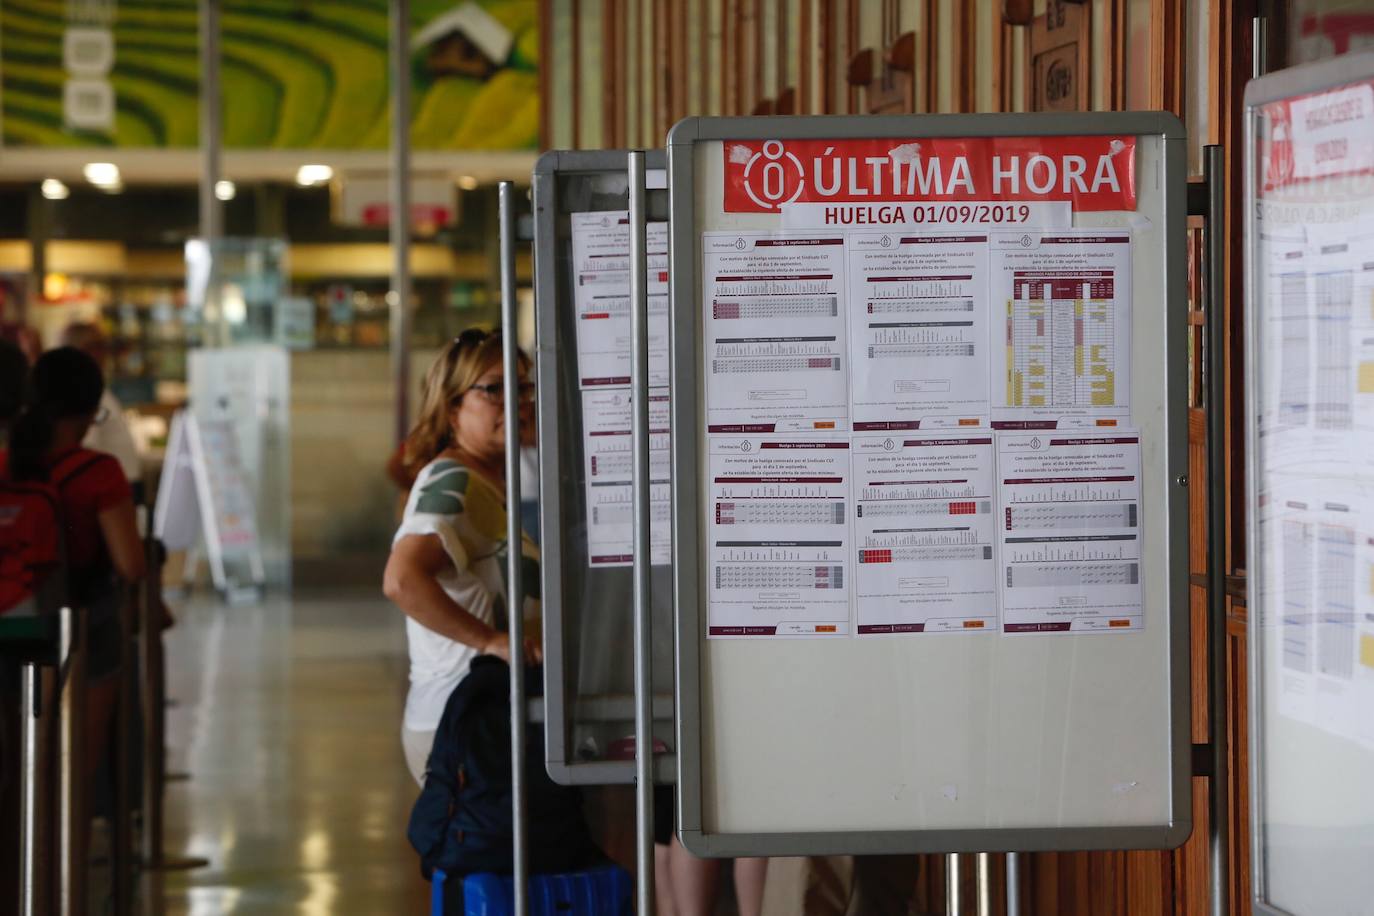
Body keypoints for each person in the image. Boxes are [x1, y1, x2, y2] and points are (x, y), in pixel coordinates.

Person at [0, 346, 147, 886]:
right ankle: (65, 882)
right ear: (89, 410)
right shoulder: (98, 472)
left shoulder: (11, 462)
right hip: (82, 633)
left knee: (13, 769)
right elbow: (130, 564)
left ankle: (15, 877)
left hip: (13, 621)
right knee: (71, 772)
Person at [383, 328, 542, 785]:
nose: (520, 400)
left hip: (483, 716)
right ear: (453, 406)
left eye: (524, 386)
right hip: (462, 721)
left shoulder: (485, 480)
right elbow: (401, 579)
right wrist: (491, 642)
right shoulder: (453, 482)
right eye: (496, 389)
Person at [60, 322, 142, 486]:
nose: (102, 353)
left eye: (102, 345)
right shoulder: (82, 391)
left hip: (120, 482)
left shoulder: (95, 387)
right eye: (95, 346)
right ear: (78, 350)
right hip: (109, 486)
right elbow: (87, 447)